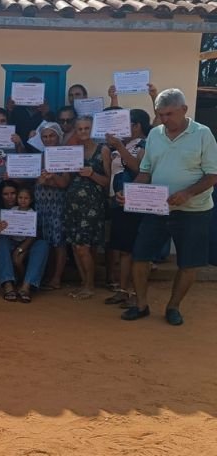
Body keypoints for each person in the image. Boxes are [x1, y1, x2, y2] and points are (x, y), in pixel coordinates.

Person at [121, 89, 217, 326]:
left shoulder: (203, 135)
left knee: (189, 263)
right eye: (160, 114)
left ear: (184, 110)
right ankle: (141, 304)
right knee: (140, 256)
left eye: (169, 114)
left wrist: (187, 193)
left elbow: (212, 175)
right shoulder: (155, 135)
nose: (164, 119)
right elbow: (146, 170)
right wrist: (131, 192)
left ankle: (173, 307)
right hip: (157, 208)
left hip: (194, 211)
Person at [103, 109, 150, 306]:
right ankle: (123, 290)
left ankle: (132, 292)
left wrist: (120, 147)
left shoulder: (144, 144)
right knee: (123, 249)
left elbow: (140, 169)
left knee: (131, 249)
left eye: (127, 123)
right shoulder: (124, 144)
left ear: (137, 125)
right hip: (118, 200)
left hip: (134, 201)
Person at [63, 115, 111, 300]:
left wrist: (92, 174)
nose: (83, 132)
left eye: (87, 128)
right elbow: (67, 180)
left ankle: (90, 286)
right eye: (80, 129)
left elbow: (108, 182)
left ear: (93, 129)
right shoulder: (72, 151)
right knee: (76, 246)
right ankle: (83, 284)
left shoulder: (103, 150)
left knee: (84, 247)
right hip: (72, 203)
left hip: (92, 205)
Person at [33, 122, 72, 289]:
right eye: (45, 136)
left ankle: (56, 278)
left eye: (52, 136)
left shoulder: (65, 154)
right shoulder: (38, 156)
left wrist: (50, 179)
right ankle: (46, 274)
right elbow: (33, 179)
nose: (48, 139)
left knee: (59, 241)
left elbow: (64, 183)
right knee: (44, 239)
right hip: (41, 202)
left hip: (58, 203)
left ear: (58, 136)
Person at [0, 184, 49, 303]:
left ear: (31, 200)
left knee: (43, 245)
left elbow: (33, 235)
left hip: (27, 244)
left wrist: (20, 250)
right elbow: (6, 231)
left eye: (26, 198)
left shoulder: (33, 212)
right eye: (20, 197)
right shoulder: (11, 211)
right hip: (12, 240)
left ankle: (26, 287)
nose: (23, 200)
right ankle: (8, 284)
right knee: (1, 240)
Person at [8, 76, 51, 143]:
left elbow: (51, 133)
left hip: (39, 150)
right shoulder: (16, 111)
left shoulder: (47, 112)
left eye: (36, 91)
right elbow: (7, 128)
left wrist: (45, 114)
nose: (32, 94)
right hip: (18, 149)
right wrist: (9, 110)